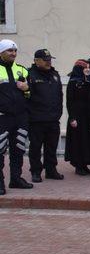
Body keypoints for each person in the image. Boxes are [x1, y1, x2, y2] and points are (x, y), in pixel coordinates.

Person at [0, 39, 32, 194]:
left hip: (20, 117)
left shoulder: (22, 70)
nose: (13, 54)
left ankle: (16, 179)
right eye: (9, 51)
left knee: (18, 149)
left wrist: (26, 88)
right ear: (1, 52)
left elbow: (30, 94)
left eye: (15, 51)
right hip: (2, 118)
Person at [27, 49, 64, 182]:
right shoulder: (30, 75)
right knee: (36, 147)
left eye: (49, 59)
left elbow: (59, 96)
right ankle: (36, 171)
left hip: (53, 119)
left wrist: (58, 113)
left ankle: (51, 170)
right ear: (37, 61)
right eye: (45, 60)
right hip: (36, 120)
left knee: (51, 147)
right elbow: (26, 97)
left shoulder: (55, 75)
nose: (49, 62)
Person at [64, 59, 90, 176]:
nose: (87, 69)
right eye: (85, 67)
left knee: (86, 140)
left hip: (88, 115)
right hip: (77, 116)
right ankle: (79, 165)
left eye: (88, 67)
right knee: (78, 140)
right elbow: (69, 101)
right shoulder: (73, 82)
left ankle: (85, 164)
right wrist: (72, 118)